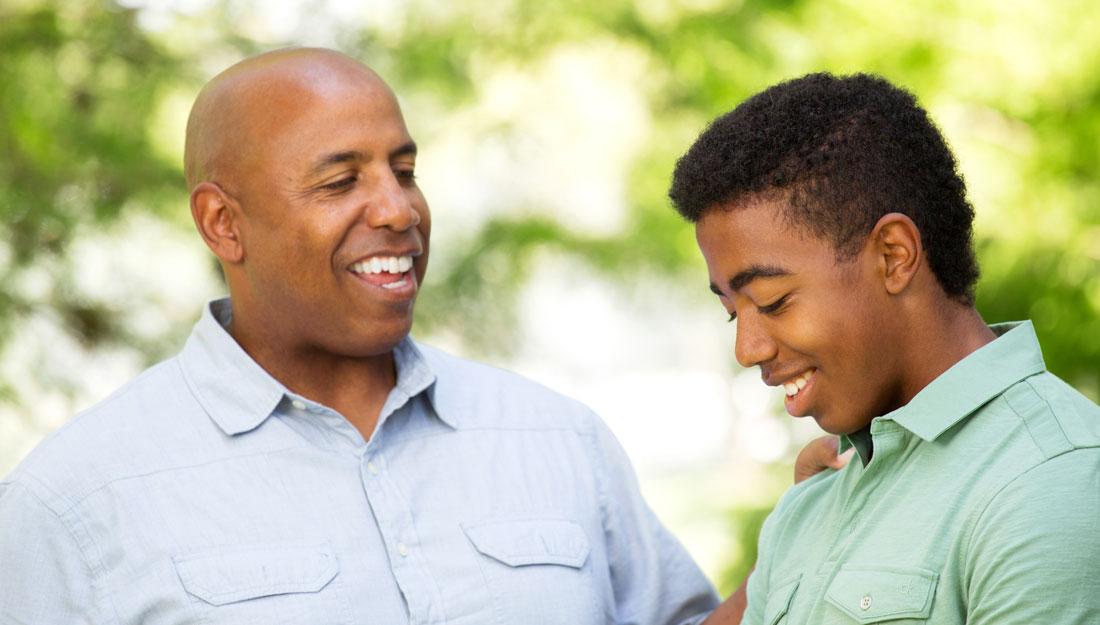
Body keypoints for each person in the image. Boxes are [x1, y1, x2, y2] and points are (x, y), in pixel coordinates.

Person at [0, 48, 729, 623]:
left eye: (404, 170)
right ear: (224, 223)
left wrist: (816, 529)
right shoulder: (75, 500)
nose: (398, 208)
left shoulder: (557, 438)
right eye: (340, 181)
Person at [670, 72, 1100, 624]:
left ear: (893, 256)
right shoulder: (808, 506)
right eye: (733, 311)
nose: (746, 349)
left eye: (772, 301)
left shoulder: (1047, 483)